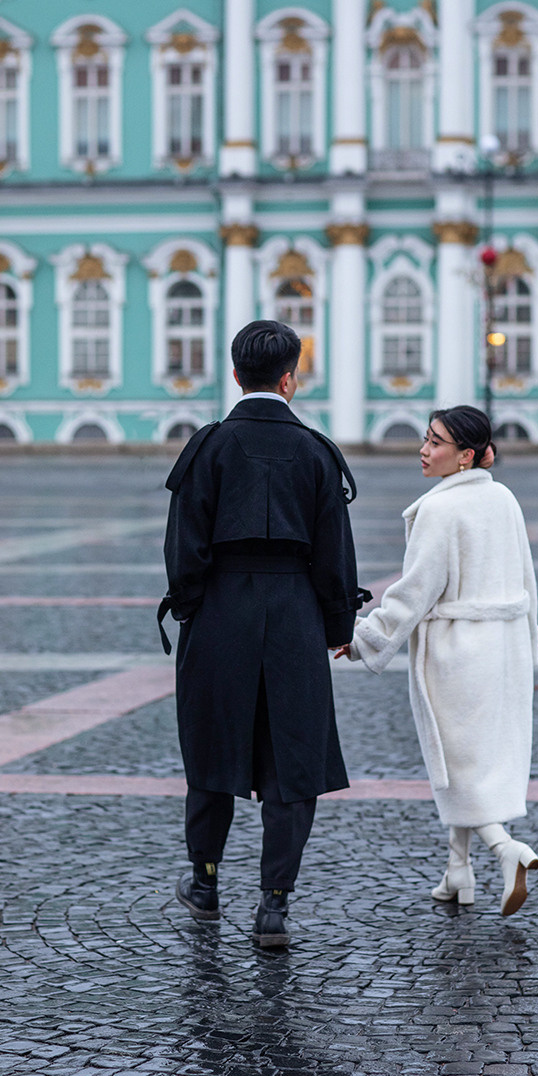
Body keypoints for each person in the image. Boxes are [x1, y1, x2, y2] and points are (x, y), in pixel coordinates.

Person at [158, 320, 366, 947]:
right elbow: (336, 554)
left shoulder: (209, 447)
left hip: (220, 614)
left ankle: (205, 882)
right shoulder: (317, 452)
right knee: (292, 759)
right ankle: (274, 906)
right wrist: (337, 624)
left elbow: (183, 546)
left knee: (211, 750)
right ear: (289, 379)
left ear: (235, 375)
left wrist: (192, 609)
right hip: (295, 615)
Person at [335, 406, 538, 917]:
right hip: (506, 648)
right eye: (426, 439)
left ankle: (505, 849)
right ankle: (458, 871)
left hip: (458, 653)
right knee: (467, 760)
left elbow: (413, 595)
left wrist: (361, 640)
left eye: (435, 442)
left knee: (459, 766)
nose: (423, 450)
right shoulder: (504, 497)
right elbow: (528, 579)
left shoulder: (439, 510)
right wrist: (531, 646)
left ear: (466, 455)